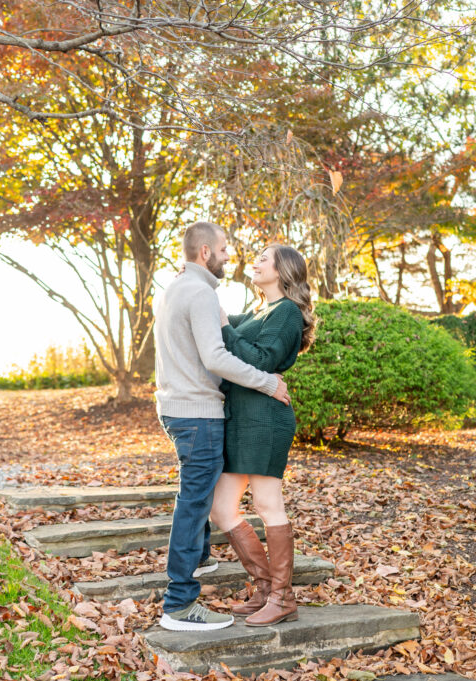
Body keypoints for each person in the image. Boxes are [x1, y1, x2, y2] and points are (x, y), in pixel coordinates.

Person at [154, 222, 291, 632]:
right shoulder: (197, 291)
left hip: (195, 410)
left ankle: (267, 589)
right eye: (226, 249)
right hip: (197, 411)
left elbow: (235, 339)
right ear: (205, 254)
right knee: (198, 502)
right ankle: (179, 603)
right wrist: (268, 382)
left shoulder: (181, 289)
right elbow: (217, 355)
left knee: (207, 500)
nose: (233, 256)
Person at [210, 244, 315, 627]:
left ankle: (283, 598)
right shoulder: (259, 311)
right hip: (239, 420)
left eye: (263, 258)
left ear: (283, 270)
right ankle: (266, 588)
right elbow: (219, 328)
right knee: (222, 508)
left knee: (268, 503)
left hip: (266, 420)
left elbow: (260, 360)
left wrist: (223, 324)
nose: (254, 262)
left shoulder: (286, 312)